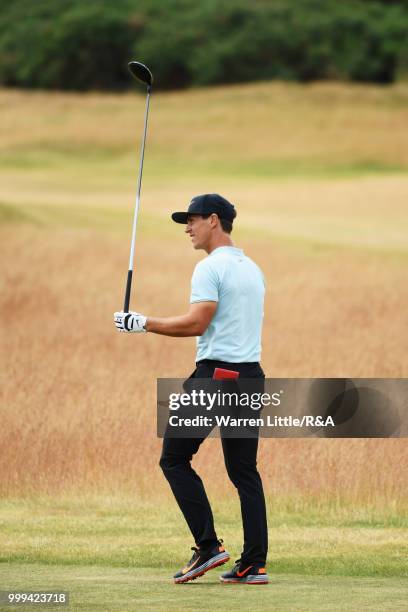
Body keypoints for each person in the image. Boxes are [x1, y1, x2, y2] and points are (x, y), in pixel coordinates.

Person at [114, 193, 268, 585]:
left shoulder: (209, 268)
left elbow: (198, 323)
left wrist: (142, 323)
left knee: (174, 458)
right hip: (250, 376)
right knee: (244, 471)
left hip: (215, 376)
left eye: (193, 220)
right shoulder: (252, 268)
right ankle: (254, 564)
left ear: (214, 220)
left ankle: (209, 546)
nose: (188, 228)